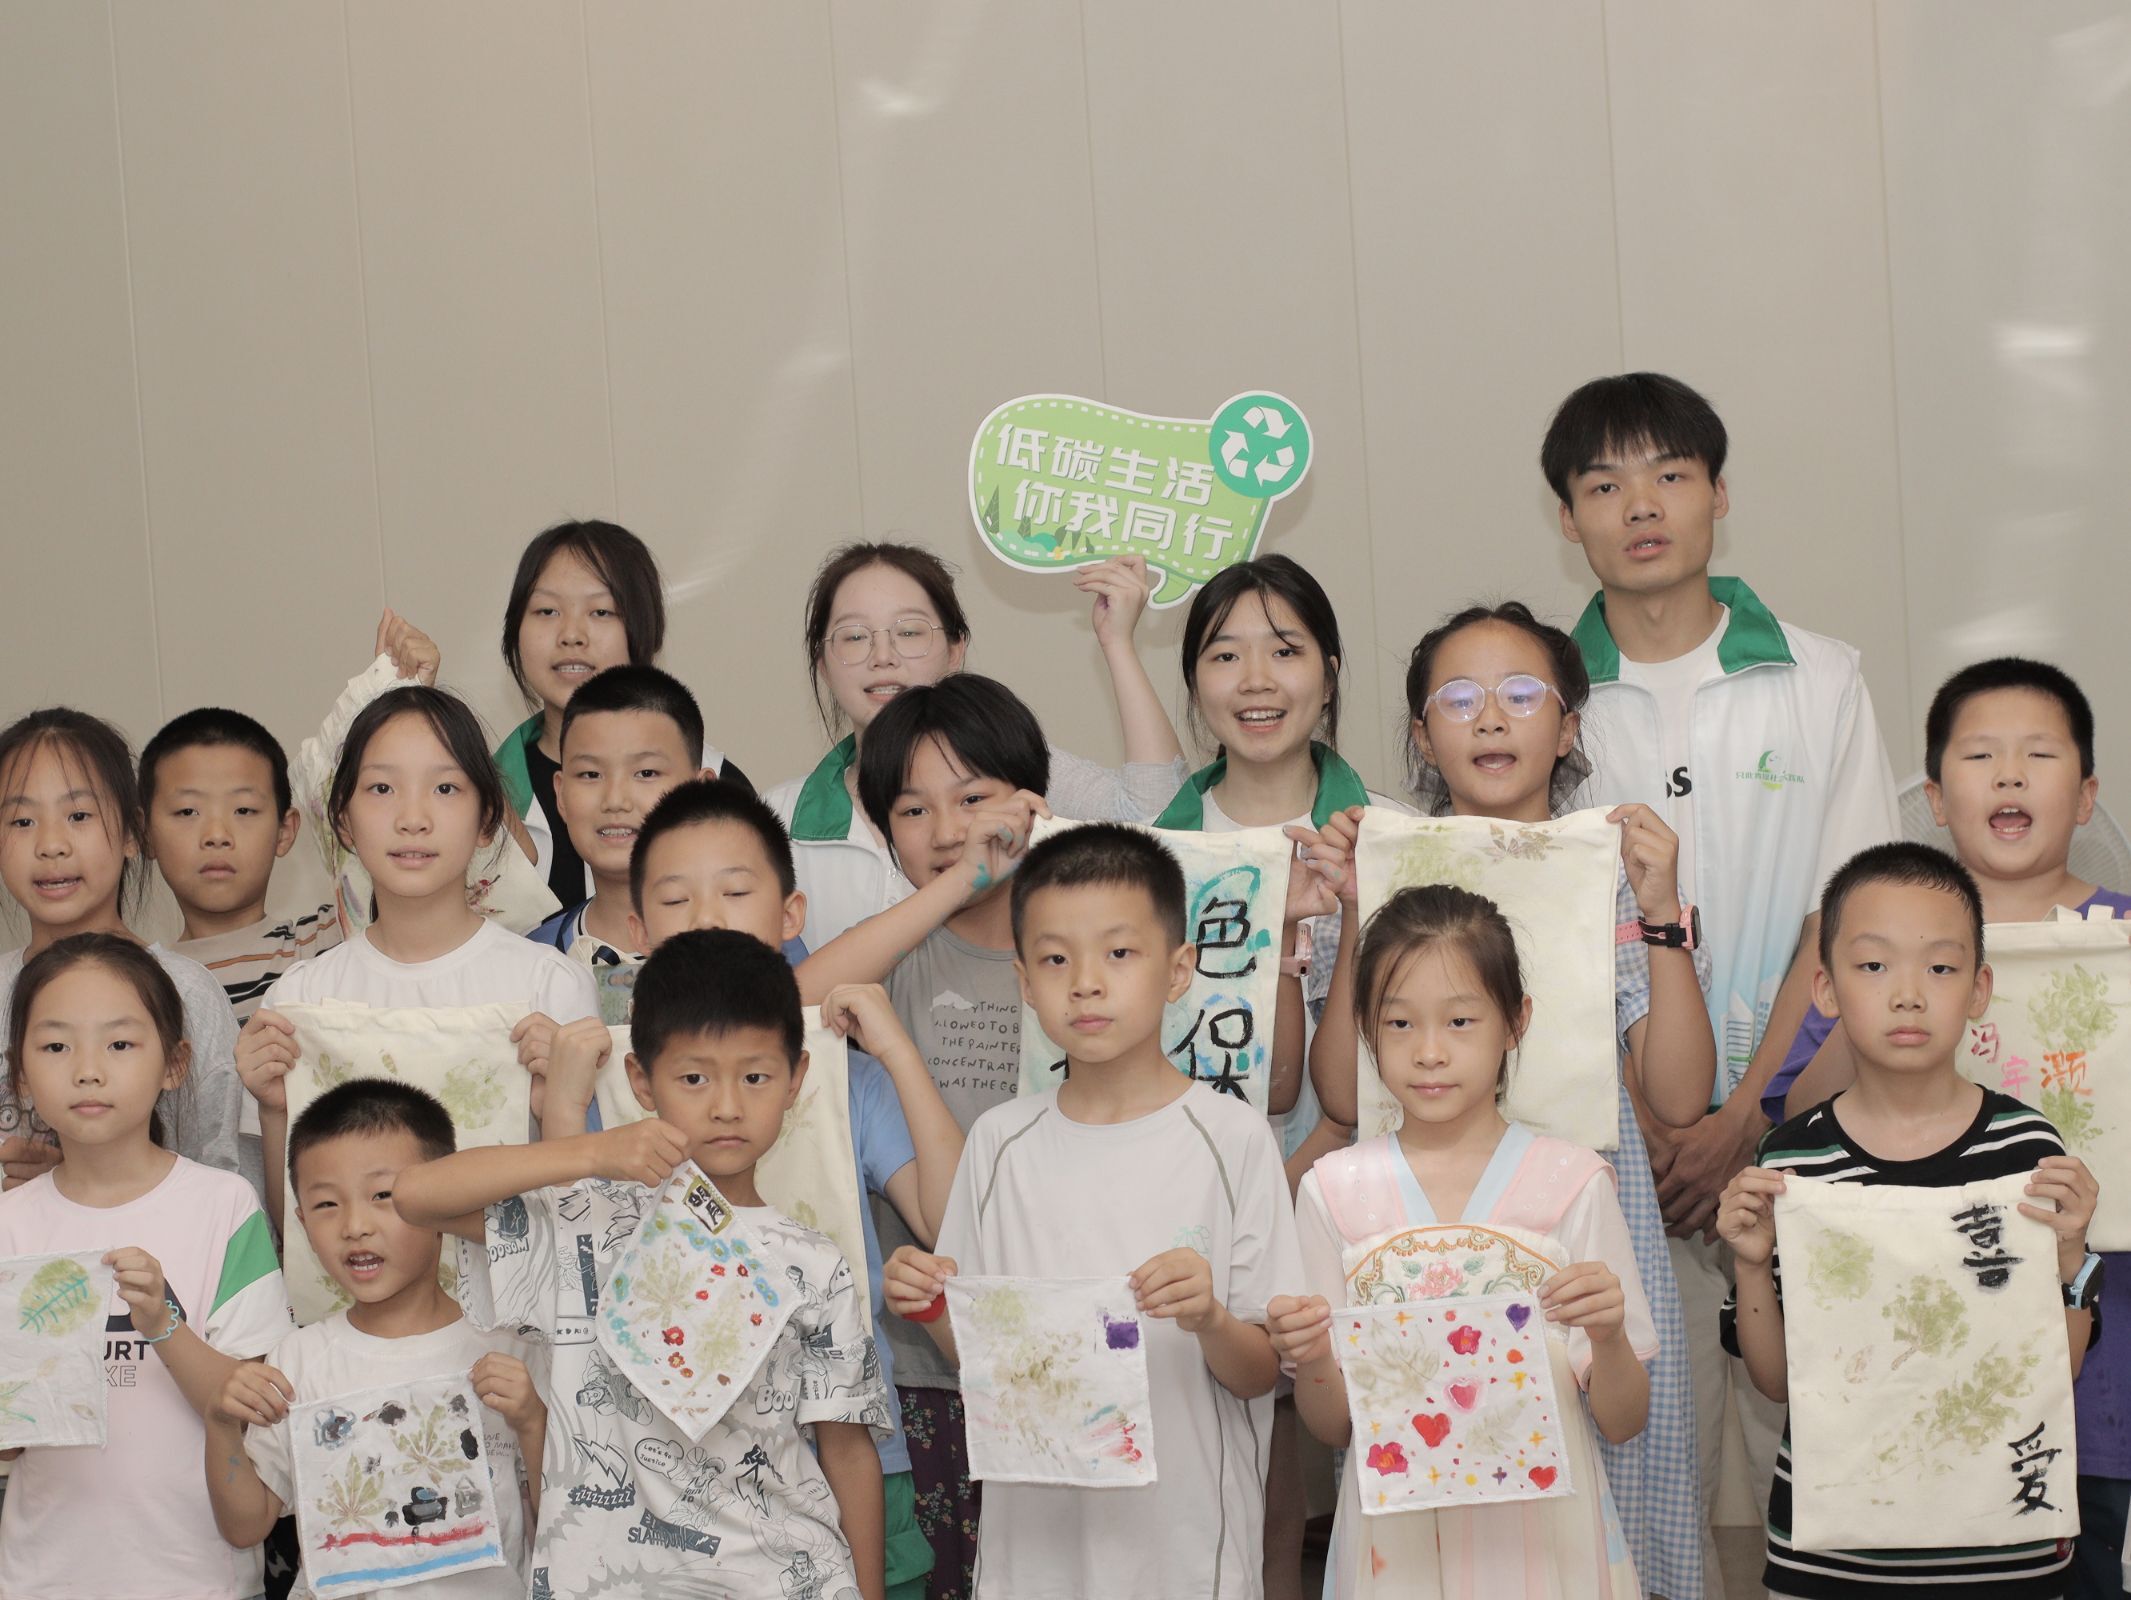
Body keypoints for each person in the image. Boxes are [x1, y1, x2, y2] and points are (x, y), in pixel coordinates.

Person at [1544, 371, 1900, 1530]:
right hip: (1614, 1159)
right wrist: (1648, 1125)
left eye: (1670, 474)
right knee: (1642, 1497)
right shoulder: (1542, 701)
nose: (1641, 505)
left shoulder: (1818, 676)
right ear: (1566, 517)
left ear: (1719, 494)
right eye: (1605, 484)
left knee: (1826, 1480)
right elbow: (1538, 940)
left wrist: (1746, 1112)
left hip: (1802, 1125)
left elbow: (1847, 922)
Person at [1301, 600, 1711, 1598]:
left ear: (1567, 727)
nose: (1490, 717)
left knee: (1607, 1503)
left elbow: (1678, 1094)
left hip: (1585, 1211)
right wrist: (1353, 900)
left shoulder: (1606, 872)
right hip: (1414, 1215)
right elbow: (1339, 1091)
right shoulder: (1381, 868)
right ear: (1420, 734)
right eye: (1459, 698)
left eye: (1523, 694)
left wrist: (1661, 912)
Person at [1765, 658, 2131, 1597]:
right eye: (1978, 755)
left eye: (2038, 754)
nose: (2008, 774)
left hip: (2100, 1343)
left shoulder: (2123, 941)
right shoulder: (1875, 938)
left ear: (2085, 794)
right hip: (1906, 1369)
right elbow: (1797, 1122)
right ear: (1932, 796)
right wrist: (1890, 988)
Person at [394, 928, 894, 1600]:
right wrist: (589, 1154)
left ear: (796, 1078)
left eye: (755, 1076)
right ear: (640, 1081)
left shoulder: (814, 1263)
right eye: (693, 1078)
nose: (726, 1106)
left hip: (782, 1578)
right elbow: (414, 1196)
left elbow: (848, 1451)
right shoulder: (584, 1219)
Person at [885, 825, 1302, 1599]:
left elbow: (1262, 1374)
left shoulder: (1232, 1139)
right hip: (1034, 1556)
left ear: (1178, 970)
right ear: (1023, 981)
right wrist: (931, 1303)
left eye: (1118, 952)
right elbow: (978, 1360)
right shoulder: (999, 1143)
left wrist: (1209, 1317)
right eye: (1055, 959)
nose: (1084, 982)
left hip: (1186, 1556)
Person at [611, 775, 966, 1598]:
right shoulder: (614, 1077)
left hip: (853, 1455)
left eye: (734, 892)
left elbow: (952, 1224)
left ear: (790, 914)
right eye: (676, 898)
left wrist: (894, 1051)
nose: (706, 918)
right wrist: (562, 1095)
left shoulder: (842, 1076)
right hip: (677, 1480)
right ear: (637, 928)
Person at [1717, 841, 2101, 1598]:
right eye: (1872, 965)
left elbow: (2052, 1370)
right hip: (1831, 1555)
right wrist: (1751, 1264)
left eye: (1941, 968)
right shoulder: (1792, 1161)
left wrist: (2071, 1260)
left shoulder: (2026, 1148)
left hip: (2005, 1552)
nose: (1907, 994)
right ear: (1824, 989)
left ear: (1980, 988)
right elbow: (1775, 1381)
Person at [1272, 884, 1654, 1597]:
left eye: (1459, 1021)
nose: (1428, 1052)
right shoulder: (1333, 1193)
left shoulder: (1571, 1183)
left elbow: (1624, 1418)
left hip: (1546, 1549)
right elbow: (1332, 1426)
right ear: (1365, 1028)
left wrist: (1607, 1336)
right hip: (1396, 1554)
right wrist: (1313, 1352)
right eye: (1398, 1023)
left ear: (1515, 1022)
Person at [235, 686, 599, 1224]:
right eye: (382, 788)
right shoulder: (300, 999)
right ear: (343, 820)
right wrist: (273, 1109)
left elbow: (586, 1225)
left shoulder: (550, 985)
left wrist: (558, 1105)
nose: (413, 817)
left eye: (445, 787)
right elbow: (295, 1234)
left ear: (487, 819)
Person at [0, 934, 291, 1599]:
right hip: (41, 1578)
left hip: (198, 1578)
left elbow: (253, 1404)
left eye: (120, 1043)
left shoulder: (223, 1207)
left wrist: (164, 1323)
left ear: (174, 1064)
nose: (88, 1070)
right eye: (55, 1046)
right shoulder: (10, 1226)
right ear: (21, 1076)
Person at [204, 1080, 545, 1599]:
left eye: (383, 1196)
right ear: (301, 1222)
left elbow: (567, 1519)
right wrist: (221, 1426)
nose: (355, 1226)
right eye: (326, 1204)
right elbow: (246, 1526)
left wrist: (533, 1421)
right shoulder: (299, 1359)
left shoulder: (510, 1347)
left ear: (443, 1204)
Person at [764, 542, 1184, 952]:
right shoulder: (776, 819)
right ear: (822, 664)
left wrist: (1117, 642)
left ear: (955, 650)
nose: (883, 656)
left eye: (909, 632)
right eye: (855, 636)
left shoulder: (1009, 776)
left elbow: (1163, 819)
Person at [0, 708, 242, 1182]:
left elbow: (225, 1179)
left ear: (133, 833)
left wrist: (74, 1185)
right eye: (21, 821)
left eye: (79, 815)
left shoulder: (185, 991)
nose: (51, 844)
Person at [493, 519, 752, 905]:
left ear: (643, 630)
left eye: (601, 612)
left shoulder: (716, 785)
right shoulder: (484, 796)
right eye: (546, 611)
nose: (571, 635)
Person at [141, 706, 342, 1021]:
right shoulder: (136, 986)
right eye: (187, 811)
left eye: (244, 810)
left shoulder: (330, 944)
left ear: (284, 831)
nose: (216, 835)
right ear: (146, 834)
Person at [525, 663, 723, 976]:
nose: (615, 800)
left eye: (646, 773)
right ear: (561, 795)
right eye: (590, 774)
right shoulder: (530, 961)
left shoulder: (756, 942)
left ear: (701, 791)